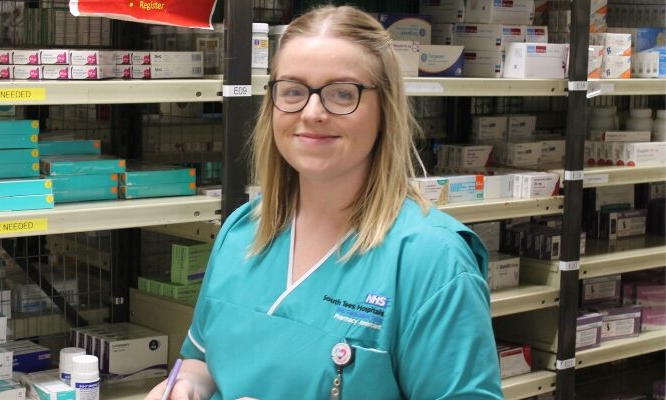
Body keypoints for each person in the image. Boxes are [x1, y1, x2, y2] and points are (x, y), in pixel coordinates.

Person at [147, 5, 503, 399]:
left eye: (341, 94)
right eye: (294, 91)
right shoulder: (242, 231)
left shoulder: (433, 261)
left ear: (384, 109)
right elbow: (201, 358)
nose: (312, 112)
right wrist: (189, 384)